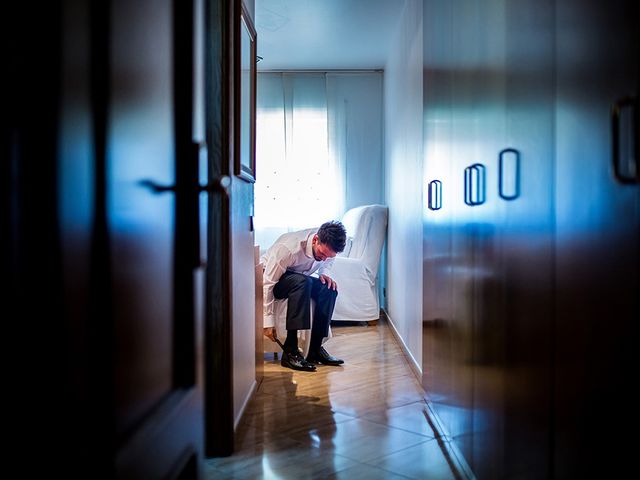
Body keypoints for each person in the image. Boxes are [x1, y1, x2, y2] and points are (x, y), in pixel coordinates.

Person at [262, 221, 347, 372]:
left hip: (299, 278)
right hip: (272, 278)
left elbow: (328, 261)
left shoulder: (327, 245)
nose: (324, 259)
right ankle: (290, 352)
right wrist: (267, 321)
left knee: (329, 289)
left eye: (329, 256)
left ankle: (315, 349)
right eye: (322, 254)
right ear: (315, 240)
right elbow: (268, 283)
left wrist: (324, 274)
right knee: (303, 283)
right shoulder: (287, 249)